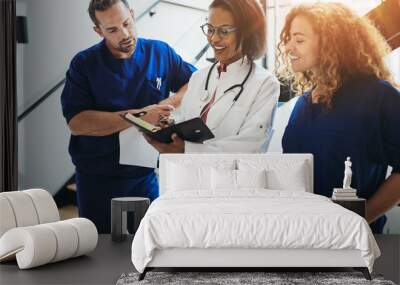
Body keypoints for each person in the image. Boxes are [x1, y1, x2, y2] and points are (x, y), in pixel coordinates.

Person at [60, 0, 196, 233]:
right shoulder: (84, 64)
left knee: (148, 247)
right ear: (98, 31)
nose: (124, 34)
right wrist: (139, 116)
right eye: (112, 29)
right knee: (98, 252)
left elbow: (194, 83)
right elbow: (77, 122)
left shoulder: (159, 52)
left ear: (133, 15)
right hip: (96, 179)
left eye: (127, 23)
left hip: (143, 176)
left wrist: (167, 103)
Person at [278, 3, 400, 233]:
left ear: (329, 43)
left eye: (299, 40)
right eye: (288, 39)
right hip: (302, 236)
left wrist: (360, 219)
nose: (288, 47)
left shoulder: (378, 96)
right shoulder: (302, 105)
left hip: (353, 244)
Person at [145, 0, 280, 154]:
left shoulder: (265, 84)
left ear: (247, 32)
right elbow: (186, 124)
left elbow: (252, 145)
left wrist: (187, 150)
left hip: (231, 176)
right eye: (210, 29)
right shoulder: (198, 78)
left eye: (224, 31)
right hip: (188, 174)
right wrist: (169, 129)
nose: (214, 39)